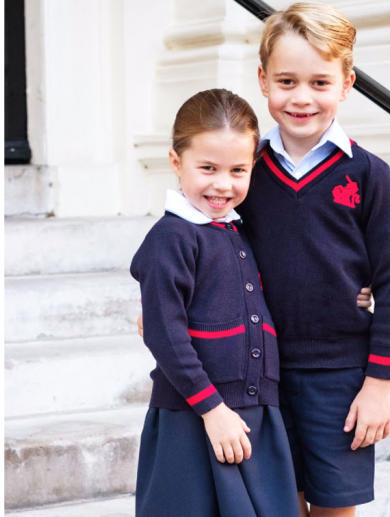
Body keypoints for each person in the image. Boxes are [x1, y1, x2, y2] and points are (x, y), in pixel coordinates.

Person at [238, 3, 390, 515]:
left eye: (319, 82)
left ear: (346, 83)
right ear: (264, 80)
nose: (302, 98)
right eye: (287, 81)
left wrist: (379, 385)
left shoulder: (368, 174)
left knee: (335, 505)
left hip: (339, 374)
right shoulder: (244, 172)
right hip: (260, 368)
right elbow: (205, 241)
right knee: (277, 503)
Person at [131, 89, 299, 517]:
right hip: (194, 416)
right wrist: (211, 409)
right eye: (207, 168)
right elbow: (165, 334)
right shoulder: (171, 240)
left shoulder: (239, 231)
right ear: (176, 163)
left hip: (254, 413)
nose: (222, 184)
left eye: (237, 170)